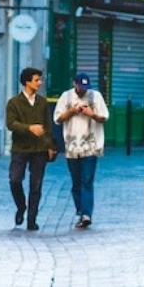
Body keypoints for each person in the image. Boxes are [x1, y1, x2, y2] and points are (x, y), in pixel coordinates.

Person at [54, 72, 109, 229]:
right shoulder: (66, 97)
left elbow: (104, 117)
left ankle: (86, 214)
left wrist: (91, 114)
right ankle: (80, 210)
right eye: (80, 87)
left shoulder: (95, 97)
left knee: (87, 180)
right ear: (74, 84)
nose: (83, 91)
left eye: (86, 87)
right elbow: (57, 119)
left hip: (91, 146)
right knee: (76, 182)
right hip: (72, 146)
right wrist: (72, 111)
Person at [5, 67, 55, 231]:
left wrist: (50, 146)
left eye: (40, 80)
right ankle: (21, 206)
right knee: (15, 180)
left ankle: (32, 219)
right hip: (20, 148)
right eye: (36, 80)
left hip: (39, 149)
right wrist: (29, 128)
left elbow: (47, 126)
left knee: (36, 184)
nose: (39, 83)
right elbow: (11, 123)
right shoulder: (14, 103)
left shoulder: (42, 102)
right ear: (27, 82)